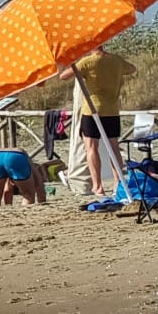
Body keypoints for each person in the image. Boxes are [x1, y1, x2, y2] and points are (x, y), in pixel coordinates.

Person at [58, 46, 137, 199]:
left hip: (92, 110)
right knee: (114, 147)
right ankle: (118, 182)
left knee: (91, 147)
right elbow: (132, 69)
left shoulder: (87, 62)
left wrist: (74, 62)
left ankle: (98, 186)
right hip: (112, 110)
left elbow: (64, 76)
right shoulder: (116, 60)